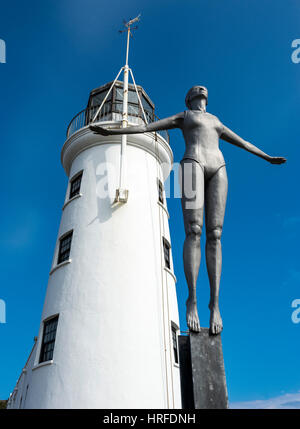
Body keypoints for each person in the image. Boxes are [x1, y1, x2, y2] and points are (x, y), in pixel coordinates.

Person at [89, 85, 286, 334]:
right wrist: (111, 131)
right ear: (189, 97)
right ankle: (192, 299)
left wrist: (267, 157)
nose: (201, 88)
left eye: (203, 88)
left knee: (215, 234)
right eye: (196, 88)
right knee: (194, 230)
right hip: (192, 165)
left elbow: (243, 143)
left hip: (219, 168)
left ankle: (214, 304)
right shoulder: (184, 116)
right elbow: (147, 126)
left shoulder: (216, 120)